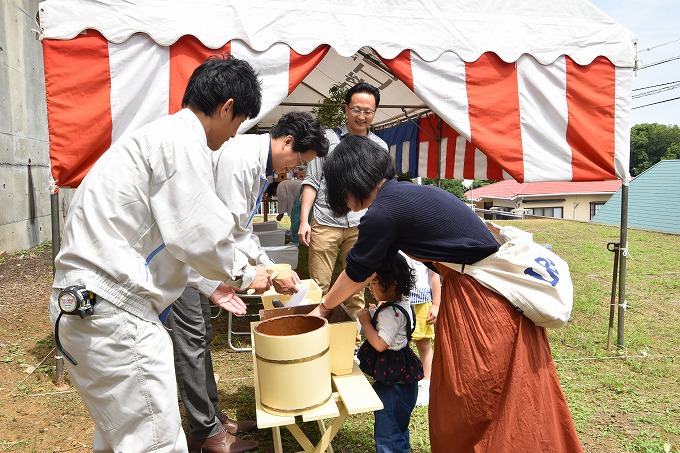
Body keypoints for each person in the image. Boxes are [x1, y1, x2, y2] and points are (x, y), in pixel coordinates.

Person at [48, 54, 272, 453]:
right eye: (238, 124)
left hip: (87, 307)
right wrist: (244, 273)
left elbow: (166, 240)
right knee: (155, 442)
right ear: (227, 109)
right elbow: (199, 232)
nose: (234, 136)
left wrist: (209, 283)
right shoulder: (182, 143)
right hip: (115, 313)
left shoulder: (155, 138)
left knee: (123, 438)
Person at [311, 135, 583, 452]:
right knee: (510, 395)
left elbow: (357, 272)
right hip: (494, 297)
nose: (341, 197)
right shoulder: (409, 193)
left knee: (470, 403)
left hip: (479, 303)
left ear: (350, 180)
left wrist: (323, 309)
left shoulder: (383, 211)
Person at [167, 111, 329, 453]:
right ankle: (204, 432)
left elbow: (242, 231)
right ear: (287, 142)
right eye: (300, 162)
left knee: (200, 337)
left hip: (203, 257)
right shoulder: (239, 160)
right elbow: (222, 231)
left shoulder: (258, 166)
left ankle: (212, 418)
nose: (296, 172)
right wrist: (252, 275)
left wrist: (269, 266)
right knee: (191, 340)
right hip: (183, 257)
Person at [298, 82, 388, 323]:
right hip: (326, 220)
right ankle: (315, 329)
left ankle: (354, 333)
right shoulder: (326, 140)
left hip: (362, 224)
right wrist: (304, 220)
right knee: (319, 283)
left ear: (375, 112)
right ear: (346, 109)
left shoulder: (380, 147)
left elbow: (382, 190)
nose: (361, 116)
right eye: (356, 110)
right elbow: (312, 181)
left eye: (368, 111)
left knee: (356, 284)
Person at [355, 253, 423, 453]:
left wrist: (367, 322)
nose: (370, 288)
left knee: (388, 431)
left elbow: (380, 344)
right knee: (398, 426)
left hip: (393, 380)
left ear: (392, 284)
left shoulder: (389, 314)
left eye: (375, 283)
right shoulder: (401, 304)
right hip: (402, 375)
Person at [399, 251, 440, 406]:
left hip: (422, 302)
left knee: (423, 344)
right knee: (403, 344)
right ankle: (404, 379)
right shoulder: (397, 243)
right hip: (401, 301)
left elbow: (434, 276)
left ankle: (426, 383)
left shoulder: (425, 247)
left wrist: (436, 304)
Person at [275, 179, 303, 244]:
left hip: (302, 191)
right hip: (303, 189)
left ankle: (296, 240)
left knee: (296, 217)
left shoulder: (280, 186)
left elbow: (284, 198)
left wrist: (281, 214)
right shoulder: (284, 183)